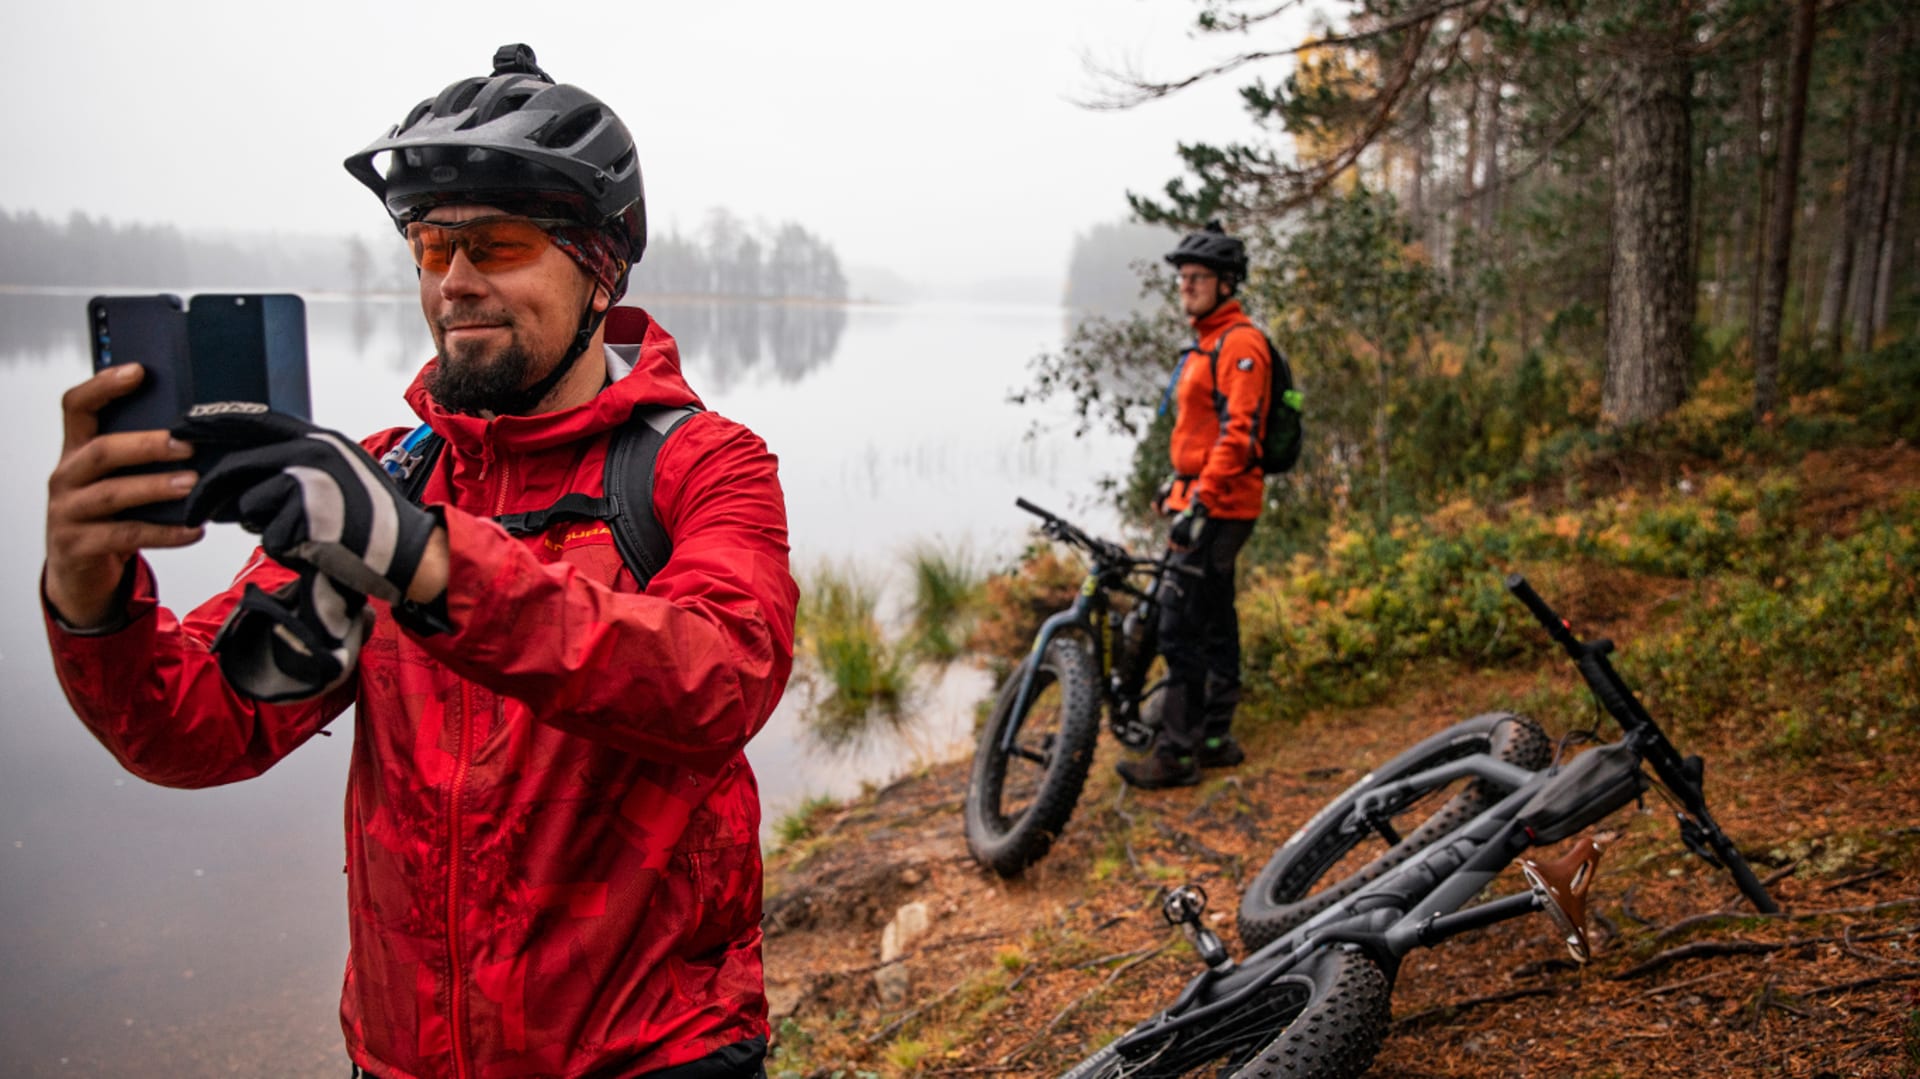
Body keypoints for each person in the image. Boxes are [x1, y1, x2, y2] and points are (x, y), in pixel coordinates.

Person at [41, 44, 797, 1079]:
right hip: (404, 1058)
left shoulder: (702, 464)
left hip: (650, 1056)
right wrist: (88, 593)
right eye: (431, 248)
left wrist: (428, 560)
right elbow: (192, 727)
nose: (455, 284)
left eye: (497, 243)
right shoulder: (382, 479)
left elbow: (719, 678)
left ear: (600, 264)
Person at [1116, 221, 1270, 791]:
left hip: (1224, 507)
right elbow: (1203, 433)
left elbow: (1240, 437)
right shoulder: (1209, 341)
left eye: (1196, 278)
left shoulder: (1241, 344)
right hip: (1206, 497)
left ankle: (1177, 753)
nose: (1185, 288)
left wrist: (1199, 501)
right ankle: (1213, 737)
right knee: (1214, 622)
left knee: (1178, 628)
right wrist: (1175, 484)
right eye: (1181, 279)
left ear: (1227, 282)